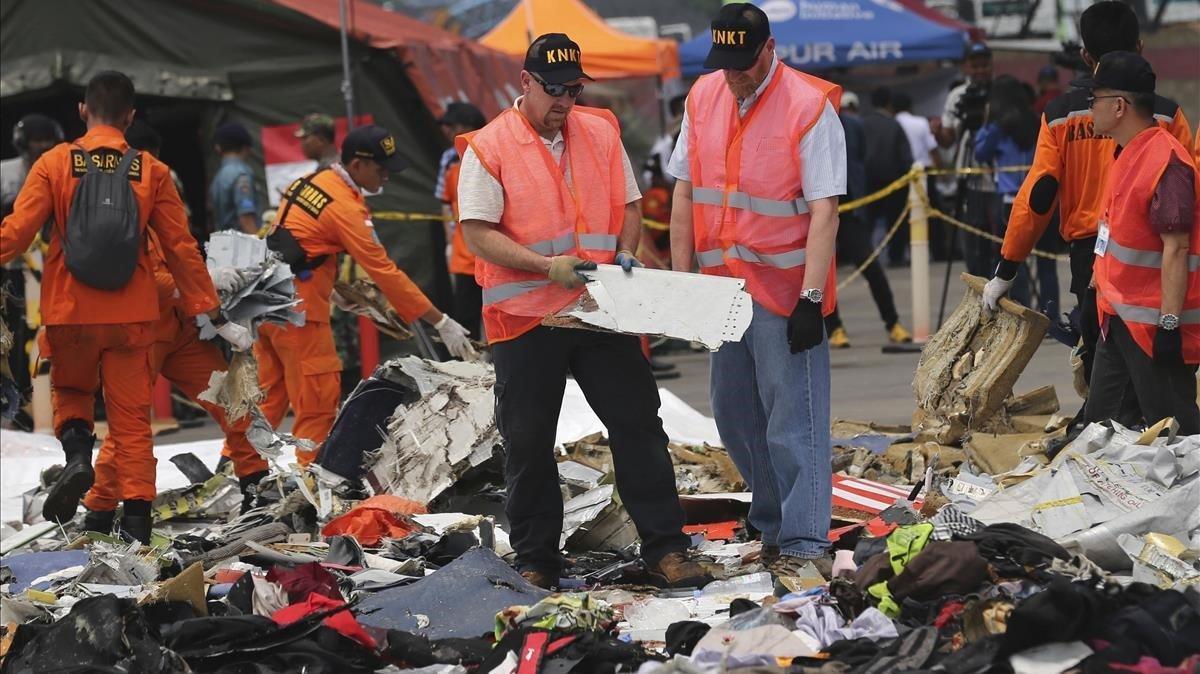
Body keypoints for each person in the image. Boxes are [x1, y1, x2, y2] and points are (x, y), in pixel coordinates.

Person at [457, 32, 705, 589]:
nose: (564, 102)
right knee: (529, 442)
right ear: (525, 82)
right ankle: (538, 560)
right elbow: (477, 233)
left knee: (639, 425)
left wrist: (626, 251)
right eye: (554, 90)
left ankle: (666, 548)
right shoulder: (489, 146)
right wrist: (546, 267)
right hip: (526, 317)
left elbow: (629, 205)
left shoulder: (600, 131)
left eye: (573, 90)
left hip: (598, 309)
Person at [0, 71, 220, 538]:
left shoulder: (55, 162)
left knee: (71, 391)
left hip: (70, 311)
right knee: (132, 421)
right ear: (131, 116)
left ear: (82, 110)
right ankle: (137, 524)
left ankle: (79, 453)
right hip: (131, 316)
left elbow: (16, 235)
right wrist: (208, 306)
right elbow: (180, 247)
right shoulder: (152, 171)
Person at [667, 3, 844, 577]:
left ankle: (804, 540)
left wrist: (811, 299)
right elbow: (685, 192)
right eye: (725, 63)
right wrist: (682, 281)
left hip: (784, 293)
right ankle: (771, 524)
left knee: (793, 422)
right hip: (722, 291)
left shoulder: (808, 107)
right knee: (734, 415)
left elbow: (824, 211)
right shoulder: (704, 97)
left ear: (769, 49)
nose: (734, 75)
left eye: (743, 63)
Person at [982, 1, 1193, 405]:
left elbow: (1038, 195)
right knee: (1141, 372)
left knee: (1114, 365)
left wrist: (1007, 267)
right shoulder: (1167, 115)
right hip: (1157, 259)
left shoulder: (1059, 115)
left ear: (1084, 56)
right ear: (1141, 48)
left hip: (1093, 259)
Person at [73, 124, 269, 537]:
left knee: (234, 400)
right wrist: (198, 284)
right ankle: (99, 510)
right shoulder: (114, 210)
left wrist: (211, 285)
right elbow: (138, 277)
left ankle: (257, 485)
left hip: (181, 331)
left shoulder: (161, 189)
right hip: (140, 335)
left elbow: (181, 251)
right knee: (128, 430)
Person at [259, 125, 476, 467]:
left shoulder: (309, 183)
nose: (387, 176)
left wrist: (332, 291)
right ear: (357, 165)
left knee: (267, 398)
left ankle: (241, 471)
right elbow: (384, 272)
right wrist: (441, 321)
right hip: (300, 313)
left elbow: (295, 244)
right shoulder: (344, 207)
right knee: (317, 400)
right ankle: (312, 483)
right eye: (381, 168)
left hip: (267, 302)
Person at [1076, 52, 1199, 434]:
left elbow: (1177, 248)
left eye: (1094, 99)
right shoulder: (1126, 155)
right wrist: (1095, 289)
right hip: (1117, 317)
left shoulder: (1166, 161)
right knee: (1100, 430)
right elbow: (1114, 233)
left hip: (1152, 328)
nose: (1089, 107)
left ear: (1119, 106)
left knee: (1176, 434)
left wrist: (1169, 326)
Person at [823, 92, 911, 349]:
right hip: (819, 213)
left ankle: (893, 323)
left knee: (871, 267)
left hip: (851, 210)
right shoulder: (806, 126)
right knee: (824, 273)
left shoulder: (853, 126)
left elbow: (861, 160)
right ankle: (834, 327)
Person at [1, 114, 64, 425]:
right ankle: (18, 400)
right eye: (37, 140)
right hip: (13, 266)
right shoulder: (6, 173)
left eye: (47, 140)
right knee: (15, 334)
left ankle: (54, 401)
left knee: (52, 332)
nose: (42, 146)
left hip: (51, 265)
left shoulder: (61, 169)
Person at [974, 75, 1040, 309]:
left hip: (1009, 200)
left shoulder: (997, 127)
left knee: (1011, 258)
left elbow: (980, 153)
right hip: (1039, 196)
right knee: (1045, 264)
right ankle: (1049, 312)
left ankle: (1018, 308)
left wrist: (986, 122)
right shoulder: (1035, 121)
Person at [941, 42, 998, 277]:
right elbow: (948, 139)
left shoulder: (1000, 91)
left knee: (999, 237)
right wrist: (937, 132)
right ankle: (977, 282)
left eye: (984, 65)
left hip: (998, 178)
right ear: (966, 67)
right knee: (973, 239)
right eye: (975, 66)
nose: (980, 70)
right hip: (968, 174)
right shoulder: (958, 96)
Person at [436, 102, 487, 338]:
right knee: (467, 318)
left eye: (454, 126)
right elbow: (446, 203)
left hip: (496, 257)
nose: (449, 132)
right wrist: (450, 241)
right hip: (465, 258)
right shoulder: (451, 164)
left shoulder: (495, 157)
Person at [862, 87, 914, 268]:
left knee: (867, 221)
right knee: (896, 222)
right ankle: (896, 257)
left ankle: (865, 257)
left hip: (868, 181)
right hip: (895, 181)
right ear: (889, 103)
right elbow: (905, 155)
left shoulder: (862, 124)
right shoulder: (894, 125)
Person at [209, 122, 261, 234]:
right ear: (246, 147)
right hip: (241, 241)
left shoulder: (218, 177)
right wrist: (258, 242)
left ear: (219, 148)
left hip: (222, 240)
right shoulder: (242, 175)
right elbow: (246, 218)